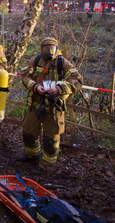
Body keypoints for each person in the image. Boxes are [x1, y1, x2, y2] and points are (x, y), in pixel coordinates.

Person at [19, 37, 82, 172]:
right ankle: (32, 155)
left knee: (51, 139)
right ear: (41, 49)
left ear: (56, 49)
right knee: (28, 132)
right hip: (35, 104)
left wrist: (59, 89)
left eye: (52, 48)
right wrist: (35, 86)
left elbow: (77, 80)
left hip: (54, 107)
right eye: (46, 48)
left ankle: (46, 165)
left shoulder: (62, 63)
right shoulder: (35, 61)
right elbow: (24, 76)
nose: (49, 51)